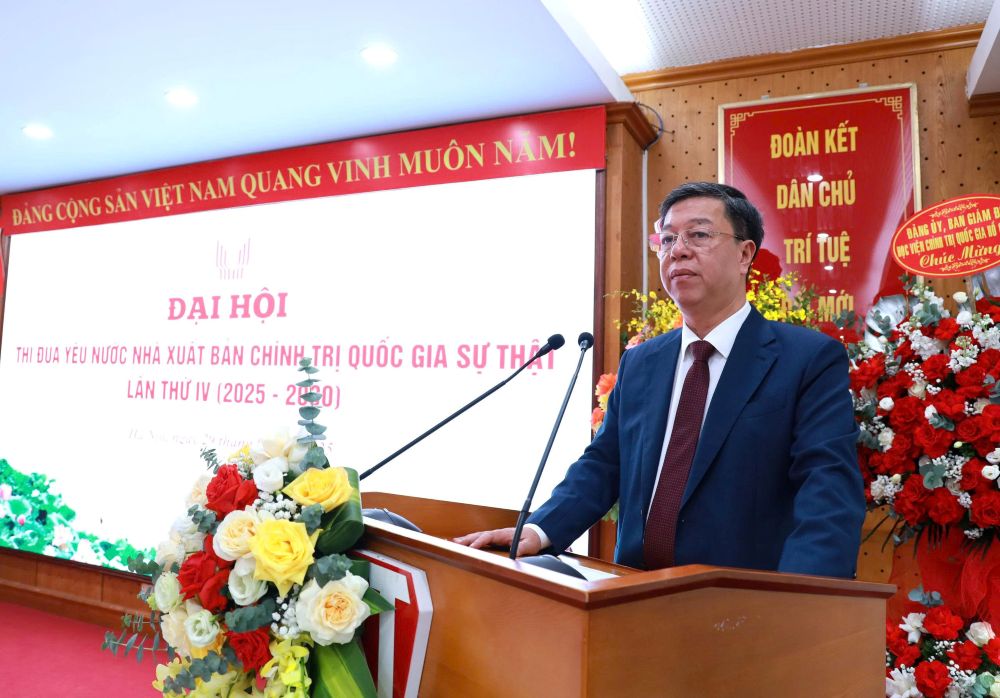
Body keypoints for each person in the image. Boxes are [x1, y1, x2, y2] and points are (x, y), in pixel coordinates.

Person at [455, 182, 865, 578]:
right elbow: (605, 463)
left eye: (699, 235)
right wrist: (539, 530)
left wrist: (801, 602)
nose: (678, 250)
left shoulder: (805, 360)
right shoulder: (641, 362)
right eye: (667, 239)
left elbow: (827, 492)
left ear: (745, 255)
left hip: (741, 604)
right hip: (632, 593)